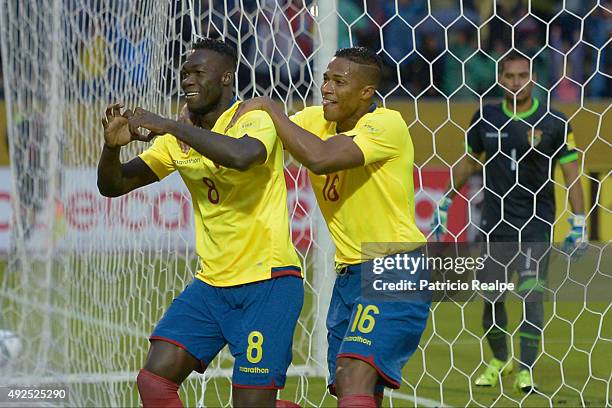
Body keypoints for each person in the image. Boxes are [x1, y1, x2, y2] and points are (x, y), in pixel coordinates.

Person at [97, 37, 303, 408]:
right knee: (154, 380)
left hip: (268, 283)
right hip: (212, 284)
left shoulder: (253, 119)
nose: (188, 80)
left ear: (226, 78)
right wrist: (112, 148)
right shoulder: (178, 136)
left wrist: (172, 127)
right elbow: (115, 185)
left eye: (198, 73)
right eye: (184, 74)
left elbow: (243, 156)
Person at [225, 47, 431, 408]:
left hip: (395, 265)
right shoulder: (313, 120)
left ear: (366, 92)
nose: (326, 88)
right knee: (356, 390)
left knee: (353, 372)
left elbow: (320, 159)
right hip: (349, 275)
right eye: (325, 78)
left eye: (339, 81)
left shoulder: (387, 124)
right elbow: (258, 133)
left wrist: (272, 108)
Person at [431, 50, 587, 393]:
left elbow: (571, 175)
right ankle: (500, 358)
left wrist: (579, 223)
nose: (516, 82)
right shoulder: (484, 118)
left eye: (523, 76)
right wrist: (443, 204)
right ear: (500, 79)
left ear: (533, 79)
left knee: (531, 297)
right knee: (491, 297)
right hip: (493, 224)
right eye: (510, 76)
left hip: (535, 225)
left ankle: (525, 369)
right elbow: (468, 163)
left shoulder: (554, 121)